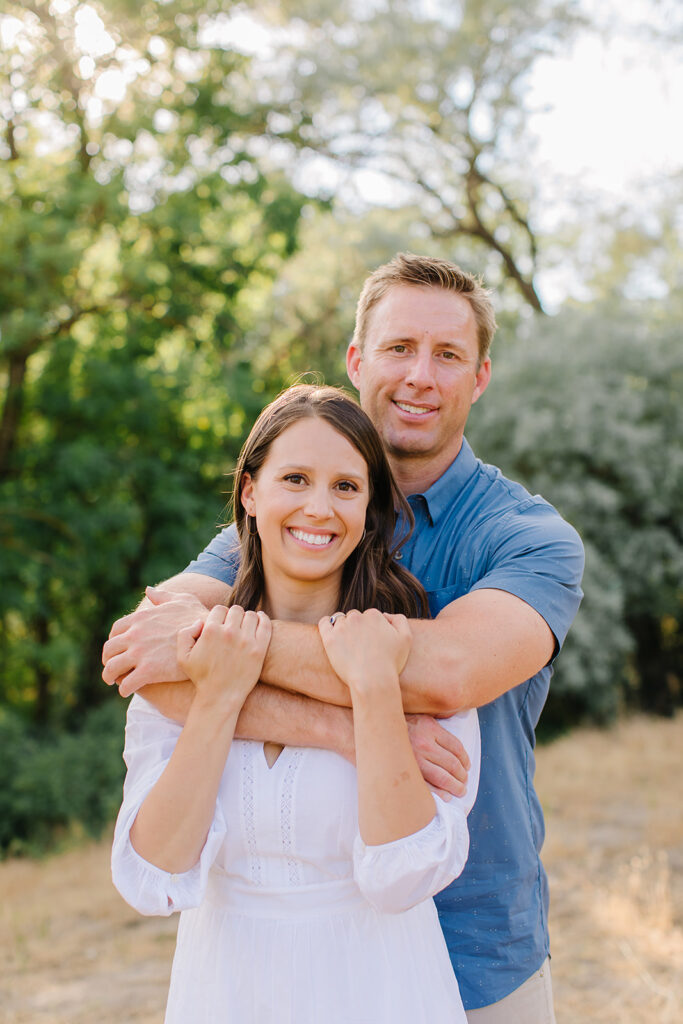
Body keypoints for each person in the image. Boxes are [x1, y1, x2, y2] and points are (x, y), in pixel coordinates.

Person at [103, 253, 585, 1022]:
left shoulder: (528, 538)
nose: (420, 376)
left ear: (480, 377)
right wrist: (343, 727)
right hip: (278, 969)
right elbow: (150, 657)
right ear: (358, 360)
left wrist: (227, 662)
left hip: (478, 944)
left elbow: (442, 678)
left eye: (447, 355)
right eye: (398, 348)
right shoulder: (291, 522)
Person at [111, 385, 481, 1024]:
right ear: (250, 493)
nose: (319, 507)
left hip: (382, 990)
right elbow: (154, 876)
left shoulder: (410, 658)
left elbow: (403, 877)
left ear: (370, 509)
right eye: (296, 479)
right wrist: (219, 697)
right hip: (226, 992)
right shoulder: (186, 665)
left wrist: (373, 690)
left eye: (346, 486)